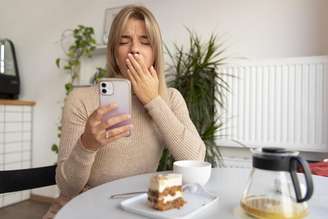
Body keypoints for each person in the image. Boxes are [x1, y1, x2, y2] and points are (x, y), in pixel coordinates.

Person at [43, 5, 205, 218]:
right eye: (123, 41)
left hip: (136, 210)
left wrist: (153, 100)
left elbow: (195, 158)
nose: (134, 49)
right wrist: (87, 144)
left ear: (155, 51)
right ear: (113, 52)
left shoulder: (171, 99)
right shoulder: (81, 100)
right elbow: (67, 187)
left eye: (145, 42)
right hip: (82, 209)